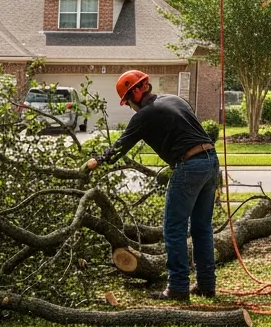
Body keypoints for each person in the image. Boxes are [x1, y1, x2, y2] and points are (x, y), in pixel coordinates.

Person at [86, 70, 220, 301]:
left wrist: (96, 161)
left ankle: (178, 287)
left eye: (128, 101)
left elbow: (120, 146)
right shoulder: (175, 99)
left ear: (137, 91)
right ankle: (206, 285)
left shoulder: (145, 115)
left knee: (174, 229)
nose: (129, 106)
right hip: (211, 162)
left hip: (189, 165)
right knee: (202, 228)